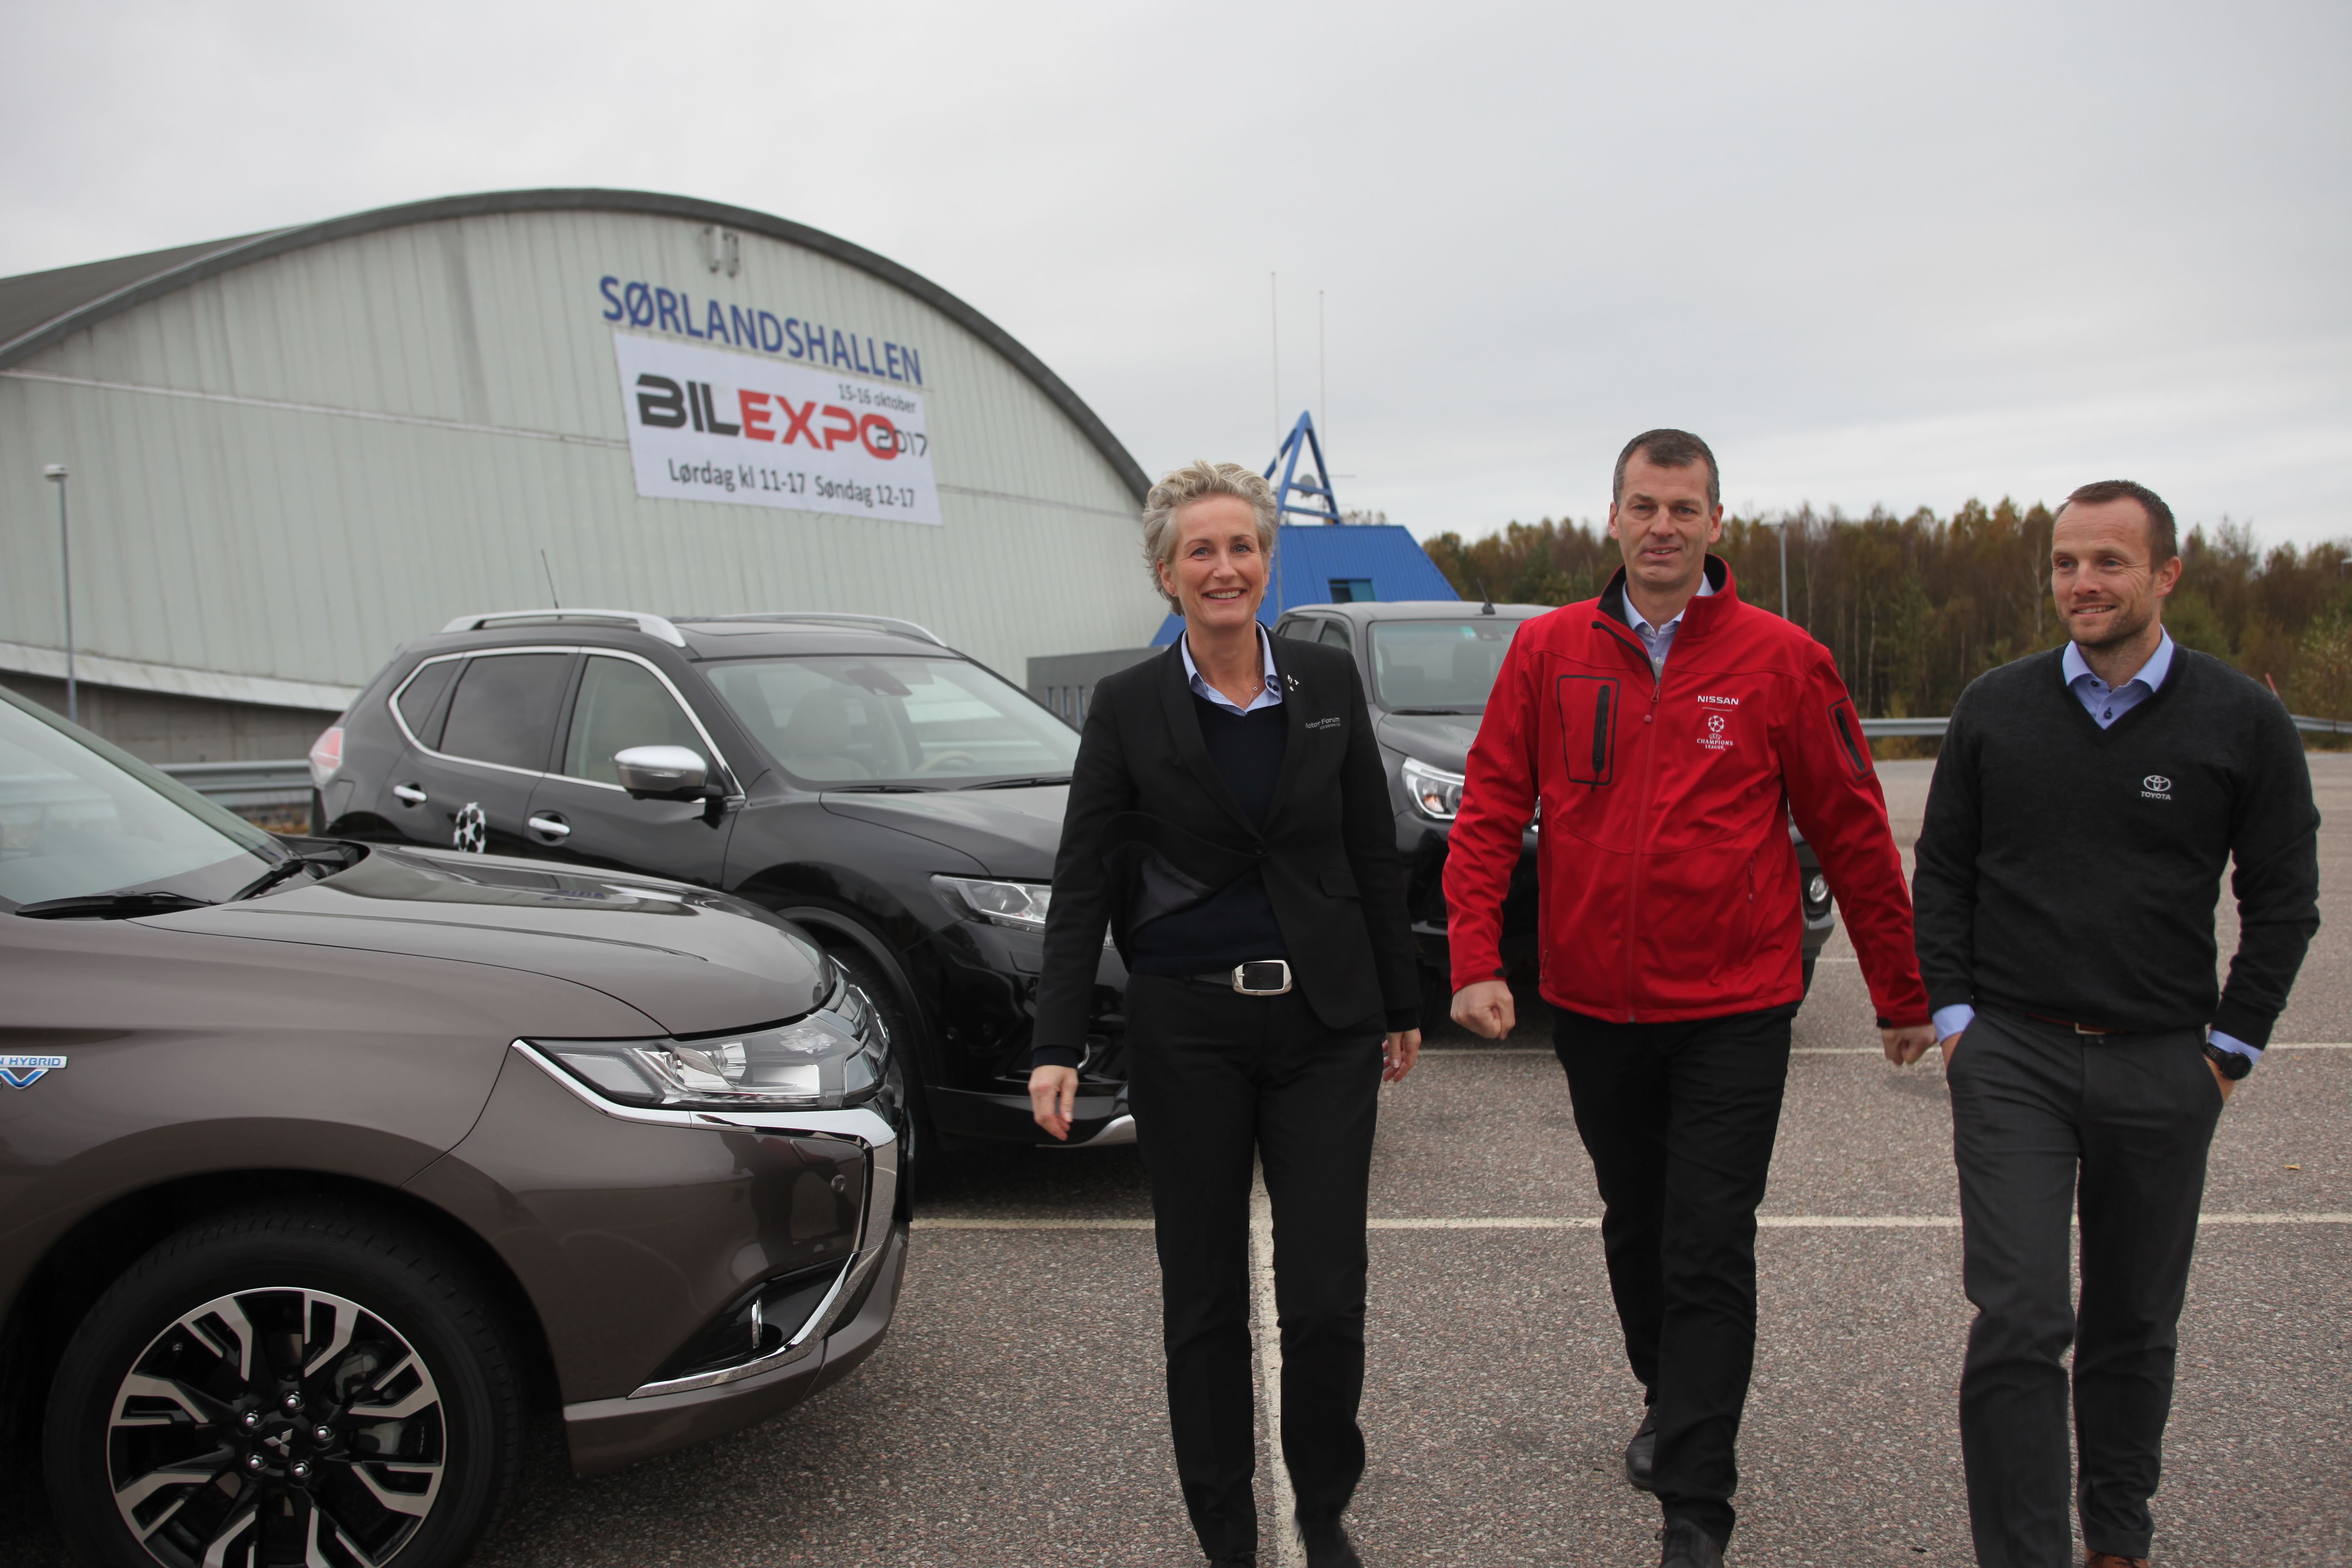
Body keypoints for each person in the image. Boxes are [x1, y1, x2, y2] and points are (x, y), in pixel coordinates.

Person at [1444, 429, 1936, 1568]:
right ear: (1612, 518)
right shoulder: (1550, 651)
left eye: (1684, 507)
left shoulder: (1785, 661)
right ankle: (1669, 1395)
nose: (1662, 525)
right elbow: (1492, 805)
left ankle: (1697, 1511)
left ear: (1718, 523)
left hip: (1734, 1006)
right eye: (1644, 505)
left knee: (1709, 1242)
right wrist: (1474, 956)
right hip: (1595, 1004)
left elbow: (1854, 828)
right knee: (1638, 1224)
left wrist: (1902, 991)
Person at [1906, 479, 2319, 1568]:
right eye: (2065, 563)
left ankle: (2118, 1538)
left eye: (2108, 562)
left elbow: (2284, 900)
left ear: (2166, 574)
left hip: (2164, 1064)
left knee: (2135, 1323)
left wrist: (2228, 1051)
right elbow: (1942, 874)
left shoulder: (2243, 719)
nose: (2082, 583)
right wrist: (1959, 1022)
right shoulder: (1996, 706)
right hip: (2013, 1058)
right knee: (2020, 1318)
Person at [1029, 460, 1422, 1568]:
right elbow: (1084, 880)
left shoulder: (1325, 680)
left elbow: (1371, 848)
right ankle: (1227, 1535)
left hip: (1323, 1029)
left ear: (1266, 561)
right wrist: (1058, 1041)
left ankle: (1324, 1510)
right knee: (1203, 1300)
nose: (1224, 567)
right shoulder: (1126, 706)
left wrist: (1400, 998)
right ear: (1166, 574)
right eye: (1199, 551)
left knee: (1326, 1294)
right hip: (1188, 1032)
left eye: (1241, 546)